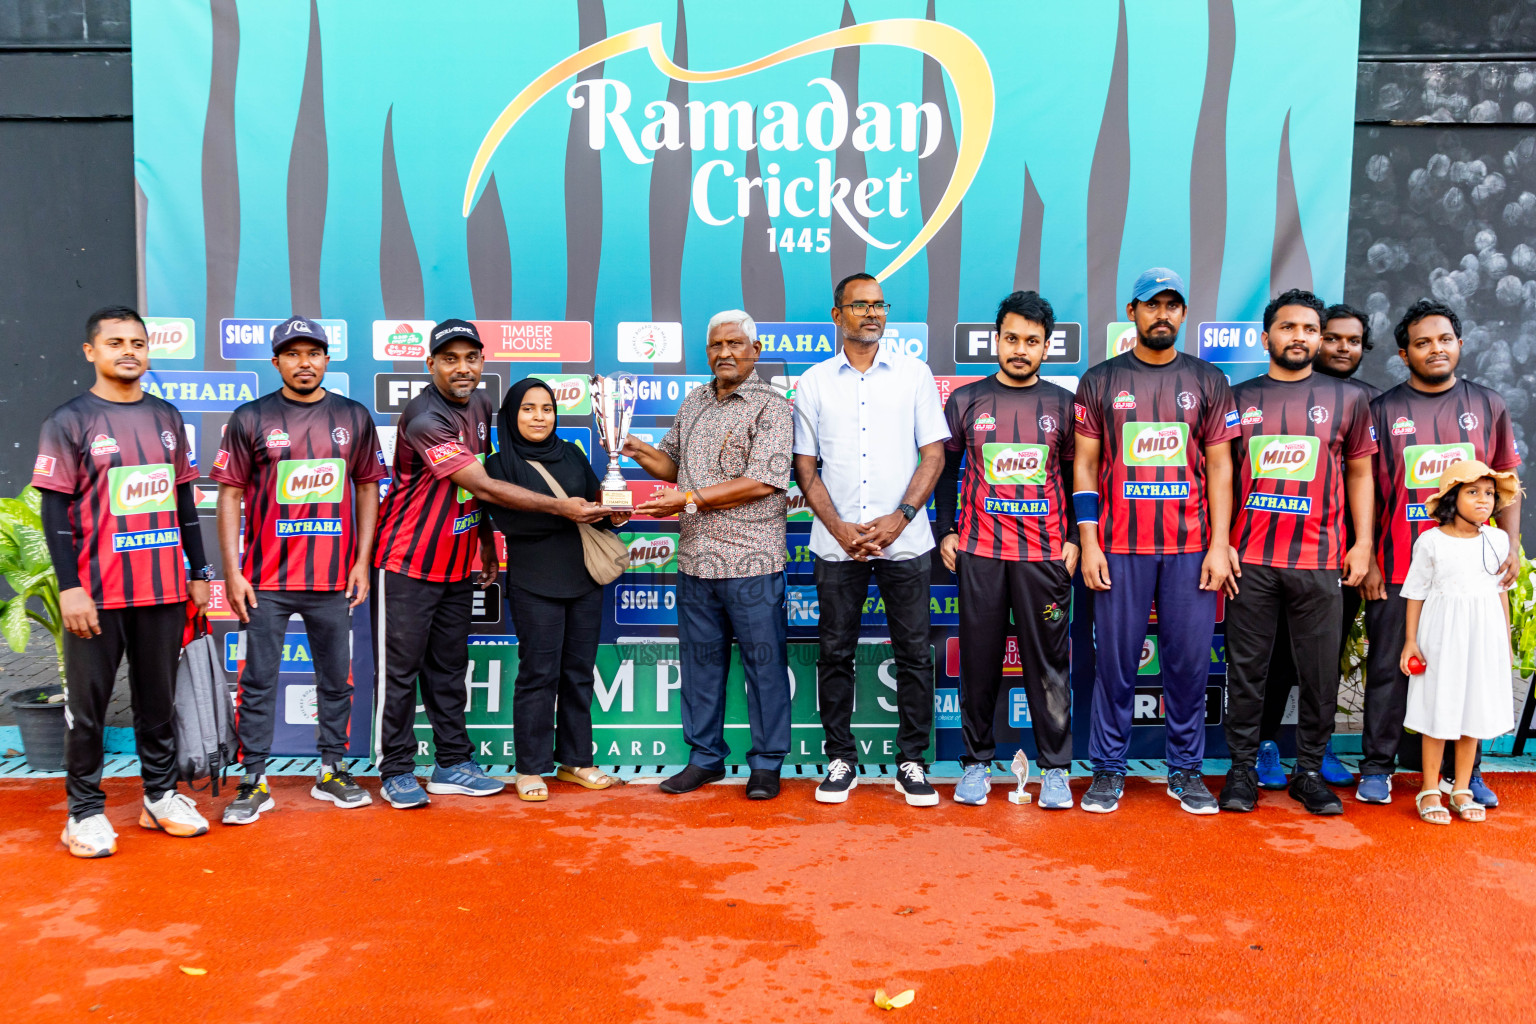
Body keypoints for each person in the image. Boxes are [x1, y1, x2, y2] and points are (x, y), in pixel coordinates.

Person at [372, 320, 609, 809]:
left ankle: (452, 762)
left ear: (482, 362)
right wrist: (562, 508)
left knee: (449, 667)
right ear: (431, 364)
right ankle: (396, 768)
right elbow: (481, 484)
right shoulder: (425, 418)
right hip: (408, 560)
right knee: (400, 672)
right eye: (451, 359)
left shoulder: (481, 405)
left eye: (471, 358)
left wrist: (482, 542)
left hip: (459, 562)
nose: (463, 368)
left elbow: (468, 498)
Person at [34, 306, 212, 857]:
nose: (128, 351)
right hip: (97, 594)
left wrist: (200, 571)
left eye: (137, 342)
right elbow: (55, 514)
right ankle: (83, 811)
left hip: (161, 590)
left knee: (157, 703)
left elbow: (184, 499)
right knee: (87, 708)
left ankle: (159, 796)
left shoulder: (166, 416)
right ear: (92, 351)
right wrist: (70, 588)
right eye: (115, 342)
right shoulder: (68, 421)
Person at [1072, 267, 1239, 815]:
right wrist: (1090, 542)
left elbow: (1220, 468)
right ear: (1133, 311)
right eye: (1151, 304)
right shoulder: (1099, 380)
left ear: (1184, 314)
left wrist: (1219, 544)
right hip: (1118, 548)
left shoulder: (1209, 380)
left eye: (1172, 305)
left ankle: (1185, 770)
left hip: (1191, 549)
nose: (1161, 314)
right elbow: (1086, 466)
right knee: (1115, 664)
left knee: (1188, 665)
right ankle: (1107, 771)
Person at [212, 316, 386, 824]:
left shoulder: (353, 416)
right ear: (277, 362)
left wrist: (361, 562)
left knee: (336, 679)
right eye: (293, 354)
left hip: (334, 579)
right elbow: (229, 495)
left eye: (314, 353)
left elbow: (369, 486)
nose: (304, 362)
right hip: (265, 580)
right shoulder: (250, 417)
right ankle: (254, 778)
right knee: (259, 680)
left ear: (327, 360)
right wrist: (233, 571)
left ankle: (332, 770)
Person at [624, 311, 795, 800]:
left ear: (755, 351)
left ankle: (766, 764)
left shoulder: (773, 407)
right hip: (696, 560)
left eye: (736, 344)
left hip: (752, 563)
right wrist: (634, 449)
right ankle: (705, 759)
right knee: (700, 665)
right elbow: (673, 466)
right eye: (716, 345)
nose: (725, 353)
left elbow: (764, 480)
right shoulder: (694, 399)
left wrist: (690, 499)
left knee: (764, 665)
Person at [793, 273, 949, 806]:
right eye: (860, 305)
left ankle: (912, 762)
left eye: (879, 304)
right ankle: (840, 759)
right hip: (837, 545)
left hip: (905, 541)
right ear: (837, 315)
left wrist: (899, 519)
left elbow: (934, 454)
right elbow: (805, 466)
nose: (872, 313)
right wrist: (840, 529)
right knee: (835, 652)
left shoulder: (915, 375)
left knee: (913, 654)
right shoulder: (813, 382)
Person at [1358, 299, 1521, 808]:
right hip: (1398, 568)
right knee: (1392, 667)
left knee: (1469, 669)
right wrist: (1373, 559)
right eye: (1423, 342)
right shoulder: (1382, 411)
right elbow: (1368, 491)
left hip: (1469, 574)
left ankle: (1463, 775)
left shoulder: (1488, 405)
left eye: (1444, 339)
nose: (1436, 349)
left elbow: (1508, 481)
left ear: (1460, 345)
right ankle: (1378, 767)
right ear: (1404, 354)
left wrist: (1510, 546)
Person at [1217, 290, 1375, 816]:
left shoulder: (1348, 400)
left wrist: (1363, 543)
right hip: (1251, 560)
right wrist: (1223, 543)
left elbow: (1360, 472)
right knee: (1247, 670)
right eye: (1288, 328)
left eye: (1310, 329)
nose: (1300, 337)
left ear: (1319, 337)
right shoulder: (1237, 398)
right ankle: (1240, 771)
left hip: (1321, 561)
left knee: (1319, 673)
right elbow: (1216, 474)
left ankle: (1309, 771)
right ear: (1267, 338)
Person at [935, 290, 1078, 809]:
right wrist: (946, 530)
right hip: (980, 551)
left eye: (1032, 342)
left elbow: (1073, 476)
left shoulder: (1064, 405)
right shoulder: (967, 400)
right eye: (1012, 338)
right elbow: (947, 470)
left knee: (1048, 666)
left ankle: (1056, 771)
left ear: (1047, 346)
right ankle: (976, 765)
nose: (1021, 349)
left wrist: (1076, 540)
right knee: (978, 662)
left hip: (1044, 556)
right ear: (996, 340)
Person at [485, 377, 628, 801]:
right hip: (535, 583)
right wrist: (567, 513)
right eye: (528, 409)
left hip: (585, 578)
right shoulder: (498, 466)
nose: (539, 417)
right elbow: (512, 523)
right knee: (537, 676)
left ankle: (576, 761)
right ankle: (530, 769)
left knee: (579, 674)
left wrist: (611, 514)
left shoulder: (571, 453)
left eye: (546, 408)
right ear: (512, 415)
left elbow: (593, 507)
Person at [1254, 302, 1377, 788]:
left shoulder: (1368, 401)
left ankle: (1317, 750)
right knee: (1273, 656)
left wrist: (1366, 546)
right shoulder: (1263, 396)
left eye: (1353, 340)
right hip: (1269, 553)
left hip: (1338, 556)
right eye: (1333, 337)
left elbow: (1374, 479)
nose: (1341, 347)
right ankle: (1265, 745)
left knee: (1321, 660)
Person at [1399, 461, 1520, 824]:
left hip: (1484, 635)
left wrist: (1505, 637)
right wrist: (1410, 642)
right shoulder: (1431, 541)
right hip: (1441, 636)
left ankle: (1461, 787)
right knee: (1439, 708)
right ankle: (1429, 789)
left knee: (1473, 709)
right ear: (1452, 498)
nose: (1483, 500)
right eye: (1473, 492)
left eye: (1489, 493)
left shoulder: (1498, 539)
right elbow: (1416, 593)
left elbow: (1501, 592)